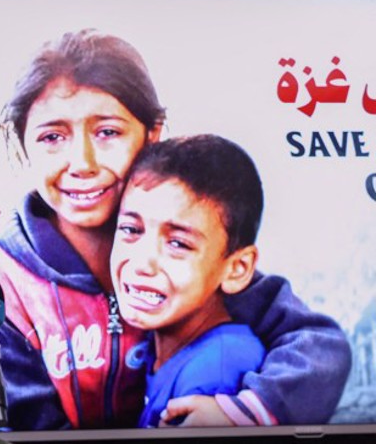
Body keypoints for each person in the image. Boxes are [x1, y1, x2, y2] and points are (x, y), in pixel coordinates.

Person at [0, 29, 351, 430]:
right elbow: (25, 425)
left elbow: (318, 346)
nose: (82, 162)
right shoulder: (3, 288)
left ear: (152, 134)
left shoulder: (190, 251)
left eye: (107, 132)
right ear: (21, 146)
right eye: (52, 137)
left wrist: (245, 412)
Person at [110, 135, 270, 428]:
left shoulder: (214, 378)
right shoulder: (162, 343)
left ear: (236, 268)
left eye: (179, 244)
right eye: (131, 229)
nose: (142, 263)